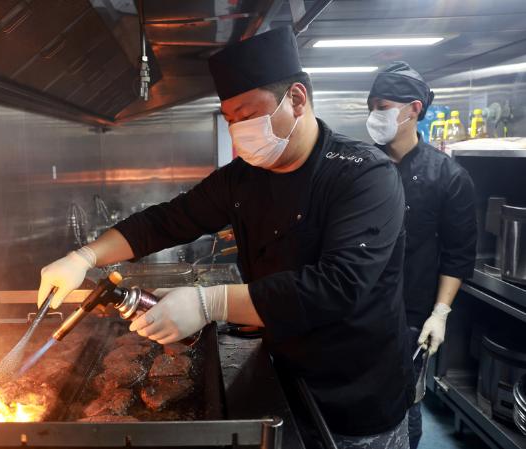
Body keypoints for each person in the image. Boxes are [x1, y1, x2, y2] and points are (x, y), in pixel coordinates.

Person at [38, 27, 414, 448]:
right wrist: (86, 256)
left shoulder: (364, 175)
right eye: (230, 118)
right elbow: (167, 221)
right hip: (281, 371)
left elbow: (338, 286)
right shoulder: (244, 178)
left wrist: (210, 302)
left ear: (296, 98)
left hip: (355, 393)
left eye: (247, 114)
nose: (239, 130)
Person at [366, 62, 477, 449]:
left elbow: (459, 253)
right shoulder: (359, 164)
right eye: (371, 106)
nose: (374, 115)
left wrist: (440, 313)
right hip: (354, 308)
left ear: (413, 108)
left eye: (382, 106)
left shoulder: (448, 177)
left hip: (410, 315)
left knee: (403, 405)